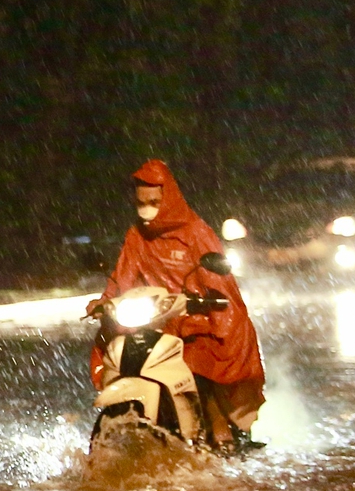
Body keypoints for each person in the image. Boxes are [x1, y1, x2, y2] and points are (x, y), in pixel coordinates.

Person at [85, 158, 265, 450]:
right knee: (119, 354)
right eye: (141, 202)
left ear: (168, 198)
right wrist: (105, 302)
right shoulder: (137, 236)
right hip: (153, 320)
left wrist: (207, 305)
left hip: (195, 319)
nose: (147, 209)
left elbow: (219, 285)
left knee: (199, 363)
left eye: (154, 201)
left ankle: (221, 435)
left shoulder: (195, 232)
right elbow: (123, 277)